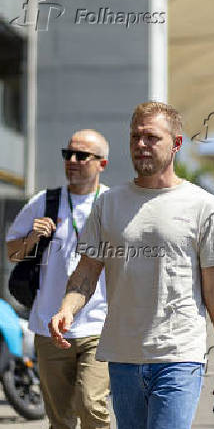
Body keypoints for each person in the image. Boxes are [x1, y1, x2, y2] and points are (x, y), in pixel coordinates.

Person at [49, 102, 214, 429]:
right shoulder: (108, 203)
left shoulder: (202, 205)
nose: (140, 145)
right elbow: (85, 273)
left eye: (151, 137)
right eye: (135, 137)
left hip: (179, 356)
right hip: (123, 357)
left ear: (176, 144)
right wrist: (68, 308)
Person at [6, 129, 111, 429]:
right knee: (60, 419)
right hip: (48, 325)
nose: (73, 161)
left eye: (82, 156)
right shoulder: (45, 201)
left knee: (91, 404)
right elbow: (12, 253)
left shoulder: (112, 202)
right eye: (68, 154)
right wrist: (32, 237)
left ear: (102, 164)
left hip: (99, 325)